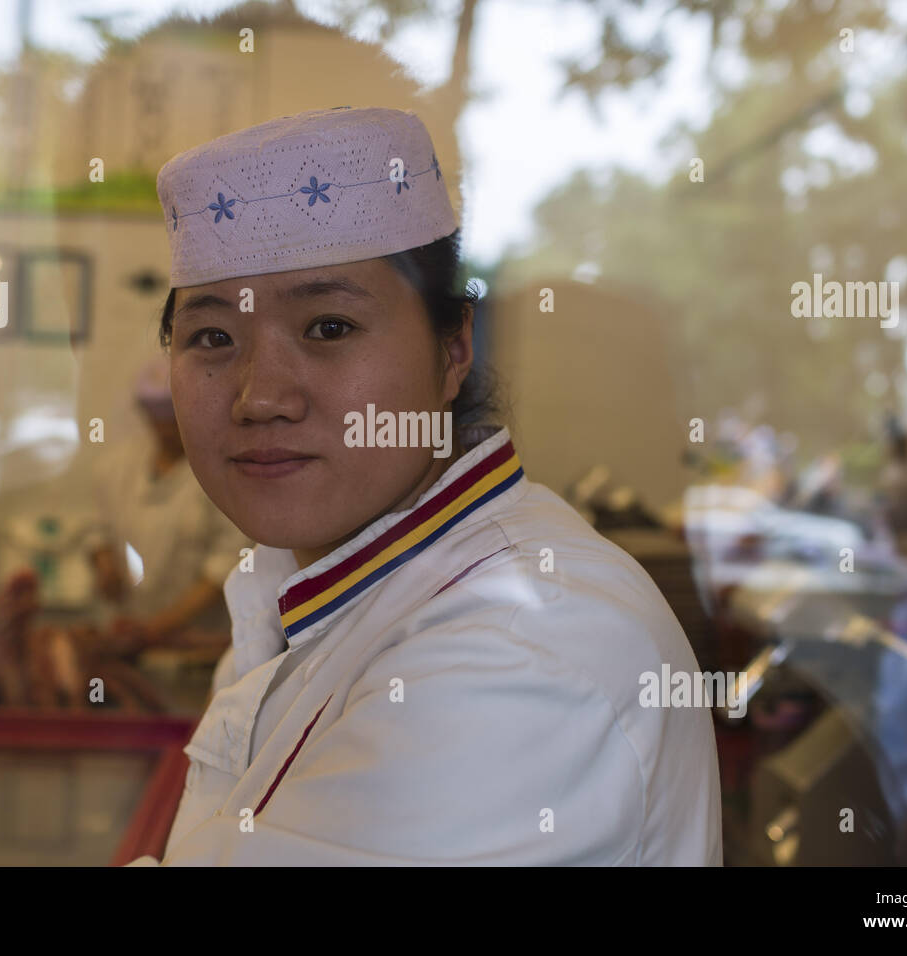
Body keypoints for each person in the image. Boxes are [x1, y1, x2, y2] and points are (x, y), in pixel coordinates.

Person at [130, 106, 721, 865]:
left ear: (453, 350)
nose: (260, 396)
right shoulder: (301, 584)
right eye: (212, 338)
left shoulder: (527, 643)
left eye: (328, 327)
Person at [87, 355, 250, 658]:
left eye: (172, 419)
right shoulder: (116, 467)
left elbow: (225, 567)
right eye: (156, 418)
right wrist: (105, 563)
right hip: (129, 636)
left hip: (200, 646)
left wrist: (155, 630)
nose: (164, 429)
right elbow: (98, 530)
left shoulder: (228, 473)